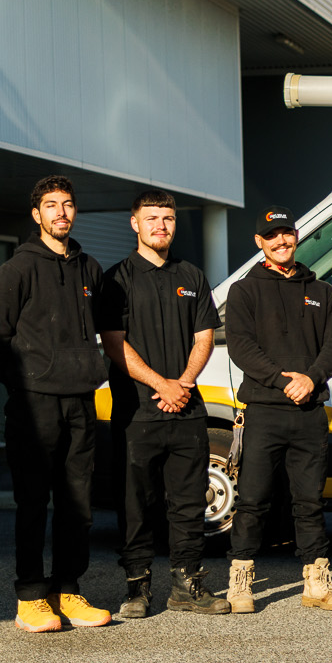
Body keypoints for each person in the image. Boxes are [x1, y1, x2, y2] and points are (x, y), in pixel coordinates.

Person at [0, 175, 113, 633]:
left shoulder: (89, 269)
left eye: (68, 204)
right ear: (36, 215)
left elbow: (108, 332)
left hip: (81, 401)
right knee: (34, 502)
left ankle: (68, 590)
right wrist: (27, 383)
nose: (61, 212)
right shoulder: (17, 270)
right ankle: (30, 597)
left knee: (78, 504)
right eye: (51, 205)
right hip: (34, 406)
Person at [98, 189, 226, 618]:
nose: (161, 225)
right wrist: (161, 385)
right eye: (152, 218)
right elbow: (115, 344)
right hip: (137, 412)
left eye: (168, 218)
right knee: (136, 503)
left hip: (187, 410)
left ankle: (187, 584)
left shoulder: (192, 275)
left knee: (189, 500)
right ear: (135, 223)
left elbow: (204, 336)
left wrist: (183, 384)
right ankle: (137, 587)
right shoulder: (116, 279)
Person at [221, 206, 332, 614]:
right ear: (260, 242)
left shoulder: (322, 291)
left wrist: (311, 379)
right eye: (272, 235)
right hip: (263, 410)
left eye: (288, 234)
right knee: (254, 499)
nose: (282, 241)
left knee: (309, 500)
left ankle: (316, 582)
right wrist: (282, 380)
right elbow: (242, 347)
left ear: (297, 238)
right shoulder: (244, 291)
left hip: (310, 411)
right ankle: (240, 581)